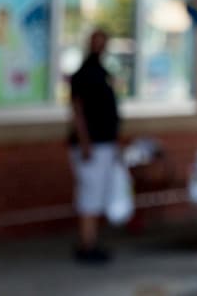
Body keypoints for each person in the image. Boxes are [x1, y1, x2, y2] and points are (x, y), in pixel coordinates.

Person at [68, 28, 120, 263]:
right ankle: (87, 244)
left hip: (103, 144)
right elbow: (77, 110)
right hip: (92, 146)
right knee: (90, 195)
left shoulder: (101, 72)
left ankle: (90, 241)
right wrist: (85, 142)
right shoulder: (84, 74)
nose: (100, 46)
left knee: (96, 195)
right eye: (96, 42)